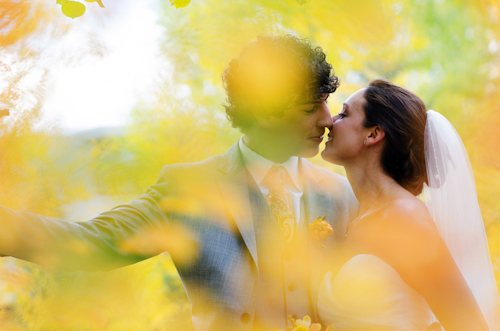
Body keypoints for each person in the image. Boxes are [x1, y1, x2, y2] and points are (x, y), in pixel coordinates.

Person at [0, 35, 357, 331]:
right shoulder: (189, 186)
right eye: (311, 108)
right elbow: (91, 243)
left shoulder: (339, 193)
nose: (328, 120)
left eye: (326, 103)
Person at [318, 79, 500, 331]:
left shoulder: (404, 216)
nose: (330, 121)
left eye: (344, 113)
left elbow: (469, 325)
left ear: (373, 134)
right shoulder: (354, 216)